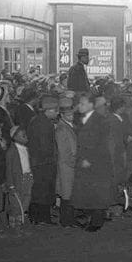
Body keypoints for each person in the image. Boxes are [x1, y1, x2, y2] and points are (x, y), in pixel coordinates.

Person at [72, 93, 113, 232]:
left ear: (91, 105)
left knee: (97, 193)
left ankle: (96, 221)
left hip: (96, 164)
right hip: (85, 162)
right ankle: (91, 217)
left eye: (82, 103)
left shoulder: (100, 121)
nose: (79, 106)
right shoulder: (81, 120)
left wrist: (90, 159)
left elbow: (102, 144)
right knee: (89, 192)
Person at [27, 95, 59, 225]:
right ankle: (43, 218)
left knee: (38, 190)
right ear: (49, 110)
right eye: (56, 110)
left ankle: (35, 216)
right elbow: (46, 147)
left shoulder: (36, 120)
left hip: (36, 162)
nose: (57, 113)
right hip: (44, 163)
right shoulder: (45, 124)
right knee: (44, 191)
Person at [55, 96, 77, 227]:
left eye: (72, 112)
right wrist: (75, 163)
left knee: (69, 194)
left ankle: (69, 219)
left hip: (70, 165)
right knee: (66, 195)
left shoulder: (69, 126)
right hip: (67, 167)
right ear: (62, 115)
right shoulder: (62, 129)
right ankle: (67, 220)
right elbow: (64, 153)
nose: (71, 115)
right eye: (68, 113)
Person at [5, 125, 32, 228]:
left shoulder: (26, 149)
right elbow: (9, 169)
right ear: (15, 137)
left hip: (27, 177)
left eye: (25, 135)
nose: (26, 138)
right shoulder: (11, 152)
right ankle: (14, 220)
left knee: (26, 198)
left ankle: (21, 219)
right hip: (17, 180)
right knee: (16, 201)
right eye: (23, 136)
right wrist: (10, 184)